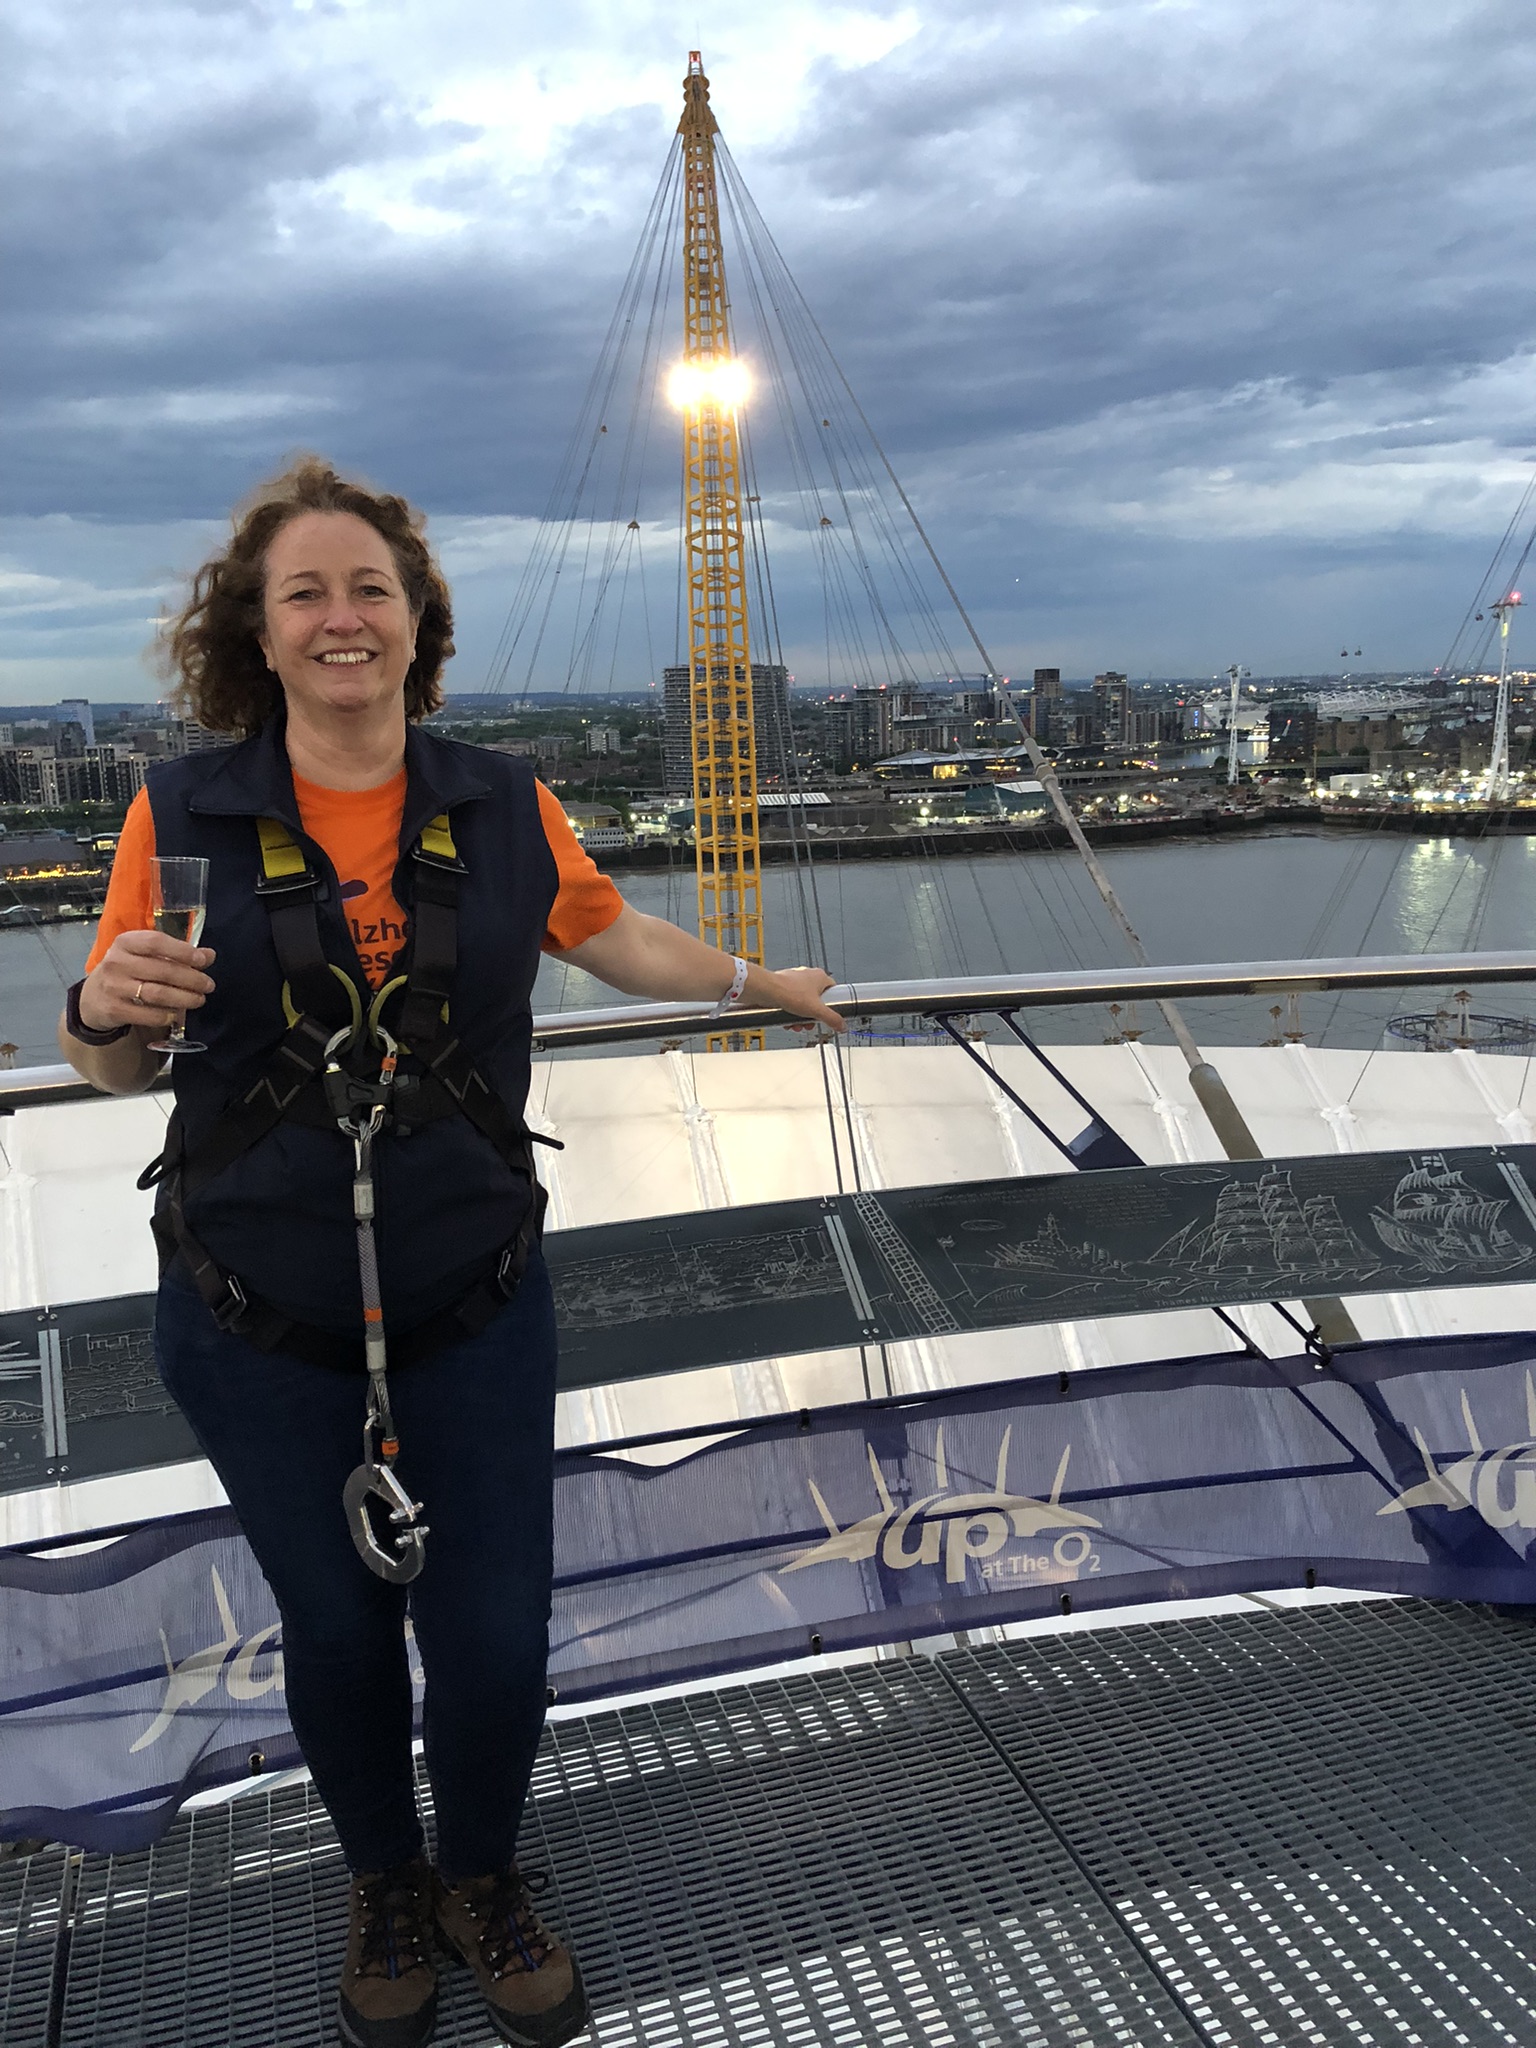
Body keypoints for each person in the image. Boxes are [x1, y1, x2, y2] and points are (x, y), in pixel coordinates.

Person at [58, 456, 844, 2048]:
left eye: (371, 590)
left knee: (491, 1634)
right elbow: (117, 1053)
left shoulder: (501, 799)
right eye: (306, 594)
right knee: (339, 1630)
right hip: (253, 1310)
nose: (343, 618)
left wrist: (762, 985)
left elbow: (609, 930)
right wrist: (96, 1015)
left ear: (418, 623)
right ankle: (383, 1883)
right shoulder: (181, 812)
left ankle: (480, 1873)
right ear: (258, 635)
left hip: (471, 1298)